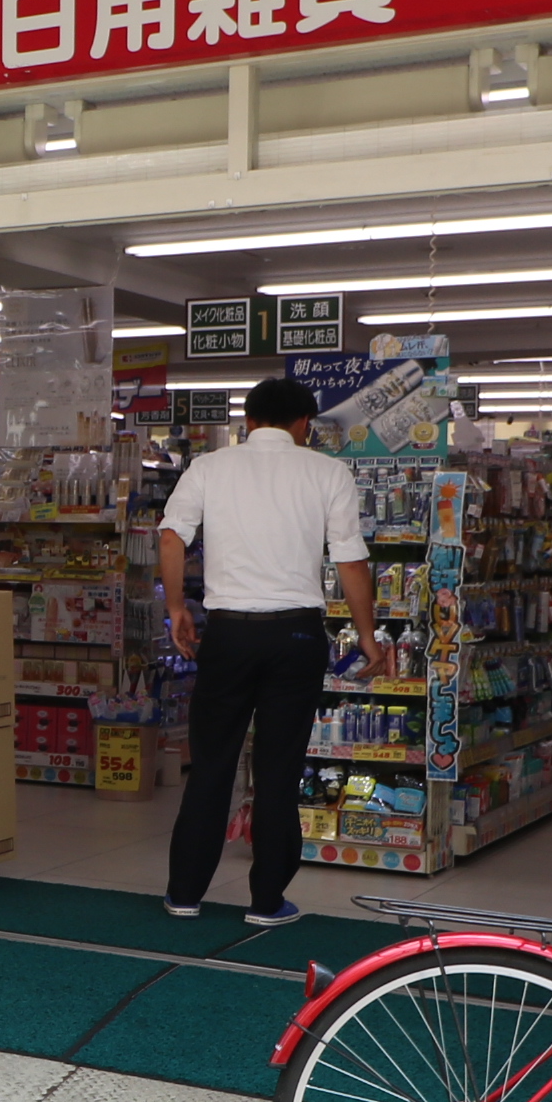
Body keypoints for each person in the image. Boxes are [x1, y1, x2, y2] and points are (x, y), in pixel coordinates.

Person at [155, 377, 401, 925]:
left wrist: (176, 608)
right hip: (295, 637)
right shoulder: (327, 472)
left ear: (248, 421)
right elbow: (350, 561)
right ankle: (267, 901)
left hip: (228, 633)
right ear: (304, 426)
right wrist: (367, 635)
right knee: (278, 768)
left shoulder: (210, 468)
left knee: (213, 764)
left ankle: (184, 894)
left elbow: (171, 537)